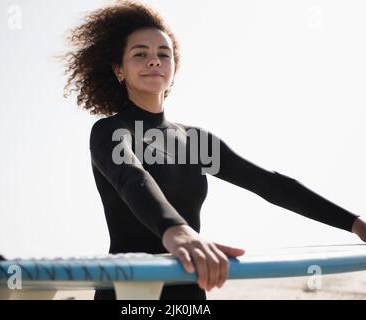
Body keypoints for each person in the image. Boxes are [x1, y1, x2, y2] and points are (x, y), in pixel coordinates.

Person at [61, 0, 366, 300]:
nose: (154, 60)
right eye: (140, 54)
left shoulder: (195, 141)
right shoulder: (110, 131)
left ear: (173, 68)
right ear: (119, 70)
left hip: (188, 288)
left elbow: (270, 185)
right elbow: (132, 177)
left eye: (163, 54)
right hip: (128, 291)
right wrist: (176, 231)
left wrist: (355, 224)